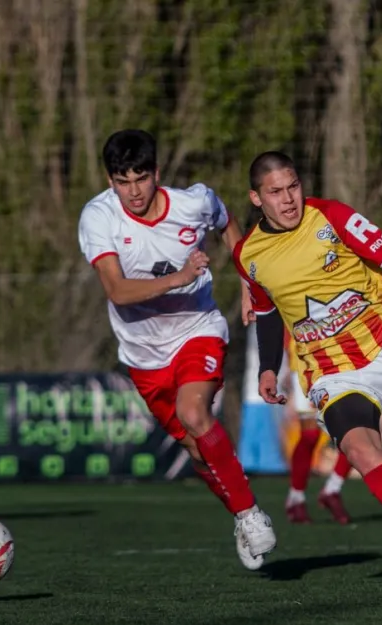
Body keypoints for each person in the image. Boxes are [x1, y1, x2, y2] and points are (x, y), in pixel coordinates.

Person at [233, 151, 382, 583]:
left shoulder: (331, 216)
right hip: (327, 370)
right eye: (275, 192)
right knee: (361, 451)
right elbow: (267, 313)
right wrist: (268, 368)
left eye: (293, 187)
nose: (289, 200)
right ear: (256, 198)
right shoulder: (248, 254)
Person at [78, 129, 276, 571]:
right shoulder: (98, 217)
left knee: (194, 412)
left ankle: (249, 512)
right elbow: (117, 291)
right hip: (143, 354)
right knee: (193, 447)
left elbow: (228, 224)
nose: (132, 191)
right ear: (110, 181)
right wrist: (178, 277)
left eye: (141, 178)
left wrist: (247, 282)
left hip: (196, 329)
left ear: (157, 174)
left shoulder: (194, 203)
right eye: (122, 181)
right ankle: (241, 516)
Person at [282, 332, 354, 525]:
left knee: (354, 433)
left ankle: (332, 490)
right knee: (310, 435)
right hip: (305, 363)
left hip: (340, 361)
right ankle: (295, 499)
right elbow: (284, 314)